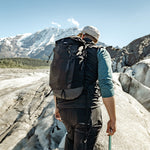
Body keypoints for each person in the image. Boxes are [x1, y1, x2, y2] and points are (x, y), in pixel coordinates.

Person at [53, 26, 116, 150]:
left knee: (70, 141)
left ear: (81, 35)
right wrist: (113, 118)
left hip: (65, 110)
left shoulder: (66, 52)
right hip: (88, 112)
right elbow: (106, 84)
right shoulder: (100, 52)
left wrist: (57, 107)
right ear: (95, 40)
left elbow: (57, 82)